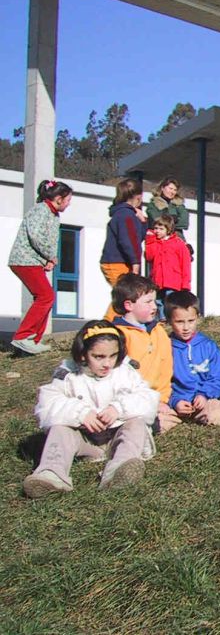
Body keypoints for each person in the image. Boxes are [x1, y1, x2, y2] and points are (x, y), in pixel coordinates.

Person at [22, 320, 159, 497]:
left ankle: (118, 470)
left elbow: (147, 398)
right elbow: (47, 404)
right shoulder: (69, 374)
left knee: (136, 424)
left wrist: (118, 408)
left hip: (117, 439)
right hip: (85, 441)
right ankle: (52, 474)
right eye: (99, 357)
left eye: (113, 355)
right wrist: (81, 414)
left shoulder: (126, 372)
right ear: (83, 354)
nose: (107, 363)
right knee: (59, 429)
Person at [7, 179, 73, 355]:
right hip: (24, 260)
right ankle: (24, 336)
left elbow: (48, 239)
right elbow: (36, 236)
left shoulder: (53, 214)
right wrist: (50, 256)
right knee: (45, 296)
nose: (68, 204)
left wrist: (48, 259)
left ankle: (33, 340)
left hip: (32, 260)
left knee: (45, 296)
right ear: (58, 198)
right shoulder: (41, 209)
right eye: (67, 200)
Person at [109, 273, 176, 433]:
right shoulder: (117, 335)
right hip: (126, 399)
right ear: (129, 305)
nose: (154, 306)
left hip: (155, 398)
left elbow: (166, 369)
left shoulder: (159, 331)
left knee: (171, 419)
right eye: (148, 302)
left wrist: (162, 399)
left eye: (154, 301)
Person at [165, 291, 220, 427]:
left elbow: (218, 377)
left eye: (191, 321)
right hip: (177, 402)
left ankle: (215, 406)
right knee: (159, 420)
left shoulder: (208, 346)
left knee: (216, 413)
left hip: (205, 400)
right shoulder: (165, 348)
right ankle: (176, 415)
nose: (186, 327)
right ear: (169, 321)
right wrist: (174, 401)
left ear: (198, 317)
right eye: (179, 322)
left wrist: (204, 395)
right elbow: (162, 382)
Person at [100, 177, 148, 319]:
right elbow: (129, 241)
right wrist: (135, 263)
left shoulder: (123, 213)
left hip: (116, 261)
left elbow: (137, 236)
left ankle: (114, 325)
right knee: (124, 295)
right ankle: (107, 325)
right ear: (138, 196)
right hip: (117, 262)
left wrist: (143, 221)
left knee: (125, 294)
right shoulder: (126, 215)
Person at [143, 213, 191, 320]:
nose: (157, 231)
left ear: (168, 229)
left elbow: (185, 263)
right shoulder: (155, 243)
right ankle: (162, 318)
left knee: (171, 301)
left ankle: (172, 318)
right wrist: (150, 241)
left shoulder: (178, 243)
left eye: (161, 228)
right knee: (158, 301)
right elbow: (149, 257)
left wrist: (185, 283)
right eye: (155, 228)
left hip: (173, 280)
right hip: (158, 280)